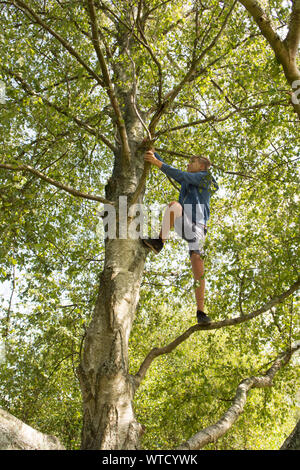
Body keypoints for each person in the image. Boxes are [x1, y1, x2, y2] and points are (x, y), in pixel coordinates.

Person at [142, 149, 219, 324]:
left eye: (192, 161)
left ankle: (201, 312)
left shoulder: (206, 178)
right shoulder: (187, 180)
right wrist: (152, 152)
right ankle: (159, 242)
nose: (188, 164)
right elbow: (176, 173)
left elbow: (181, 175)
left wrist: (157, 162)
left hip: (198, 227)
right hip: (183, 221)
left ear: (202, 166)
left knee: (197, 261)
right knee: (174, 205)